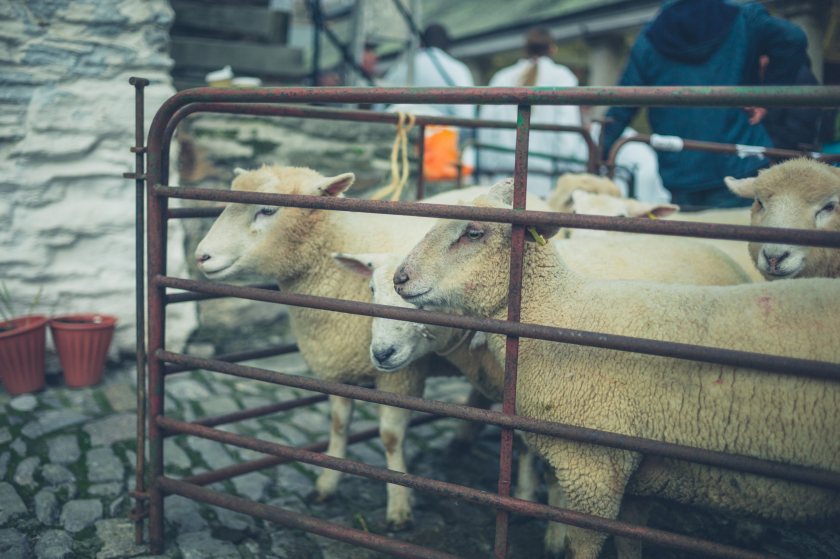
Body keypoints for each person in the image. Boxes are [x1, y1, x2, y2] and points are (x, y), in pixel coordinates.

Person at [602, 0, 808, 208]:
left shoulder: (649, 38)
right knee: (745, 237)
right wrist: (765, 97)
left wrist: (598, 155)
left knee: (695, 238)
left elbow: (622, 105)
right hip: (741, 166)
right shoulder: (744, 19)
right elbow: (793, 38)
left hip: (680, 173)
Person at [477, 27, 588, 197]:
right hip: (546, 179)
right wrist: (565, 170)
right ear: (552, 49)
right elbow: (567, 135)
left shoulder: (502, 77)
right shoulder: (563, 78)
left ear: (525, 49)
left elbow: (486, 130)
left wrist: (487, 171)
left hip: (504, 178)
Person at [381, 23, 475, 121]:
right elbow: (466, 114)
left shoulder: (400, 68)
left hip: (401, 131)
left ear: (421, 43)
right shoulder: (457, 69)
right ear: (447, 44)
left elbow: (382, 105)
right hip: (441, 132)